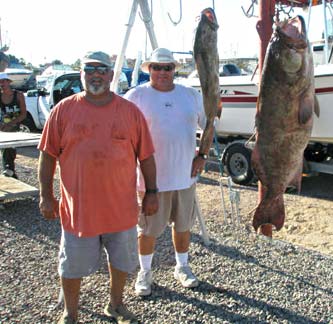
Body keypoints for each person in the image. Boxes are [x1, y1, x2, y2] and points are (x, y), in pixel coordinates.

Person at [38, 50, 159, 324]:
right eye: (89, 69)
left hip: (121, 210)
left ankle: (116, 305)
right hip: (78, 211)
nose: (95, 75)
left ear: (111, 74)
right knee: (71, 266)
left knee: (121, 262)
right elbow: (47, 155)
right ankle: (71, 313)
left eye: (101, 70)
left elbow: (147, 156)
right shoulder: (63, 110)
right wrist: (46, 195)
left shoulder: (130, 112)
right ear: (81, 74)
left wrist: (152, 192)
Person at [124, 47, 207, 297]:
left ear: (174, 69)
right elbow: (123, 136)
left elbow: (210, 124)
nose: (162, 72)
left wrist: (202, 155)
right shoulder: (135, 96)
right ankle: (145, 272)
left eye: (167, 67)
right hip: (150, 181)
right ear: (149, 69)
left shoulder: (191, 95)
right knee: (147, 230)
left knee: (183, 226)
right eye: (157, 67)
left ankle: (182, 267)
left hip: (185, 176)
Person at [0, 72, 27, 178]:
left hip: (15, 125)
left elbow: (23, 114)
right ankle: (9, 169)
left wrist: (11, 123)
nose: (2, 84)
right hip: (3, 126)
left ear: (8, 82)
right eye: (0, 82)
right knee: (5, 148)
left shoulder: (18, 95)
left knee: (10, 147)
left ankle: (9, 169)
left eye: (3, 81)